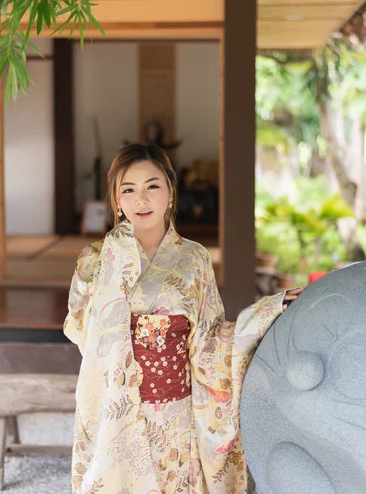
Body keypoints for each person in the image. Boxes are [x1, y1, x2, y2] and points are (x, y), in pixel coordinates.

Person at [63, 144, 302, 494]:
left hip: (173, 410)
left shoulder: (194, 258)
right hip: (116, 405)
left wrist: (266, 312)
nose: (141, 199)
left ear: (171, 193)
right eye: (128, 190)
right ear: (116, 199)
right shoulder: (95, 260)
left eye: (152, 186)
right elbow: (79, 328)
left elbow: (210, 340)